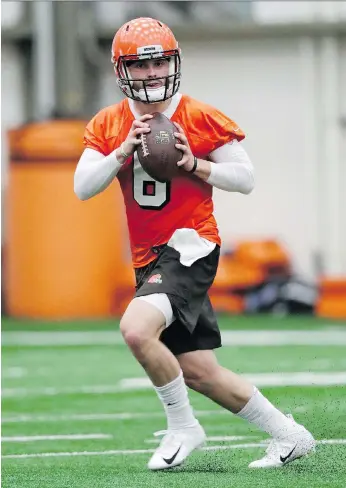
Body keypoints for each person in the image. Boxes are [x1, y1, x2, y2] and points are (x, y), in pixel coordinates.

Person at [74, 17, 315, 471]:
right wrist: (123, 149)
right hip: (149, 259)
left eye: (159, 62)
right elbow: (83, 187)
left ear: (173, 62)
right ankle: (289, 434)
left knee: (135, 328)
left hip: (190, 246)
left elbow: (245, 178)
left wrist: (196, 165)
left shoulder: (200, 116)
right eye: (139, 66)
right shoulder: (109, 124)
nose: (151, 74)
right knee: (200, 372)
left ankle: (183, 426)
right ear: (120, 70)